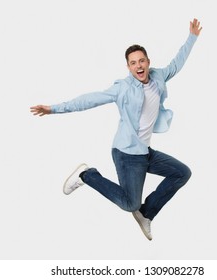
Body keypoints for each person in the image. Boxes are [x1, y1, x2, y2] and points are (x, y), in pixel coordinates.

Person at [30, 19, 202, 240]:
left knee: (182, 173)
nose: (138, 66)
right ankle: (87, 175)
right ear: (128, 67)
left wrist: (192, 37)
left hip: (145, 152)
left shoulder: (158, 76)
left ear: (148, 62)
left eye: (141, 61)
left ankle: (147, 213)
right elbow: (89, 100)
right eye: (133, 63)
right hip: (127, 154)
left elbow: (177, 63)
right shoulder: (123, 88)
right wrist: (54, 109)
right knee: (130, 203)